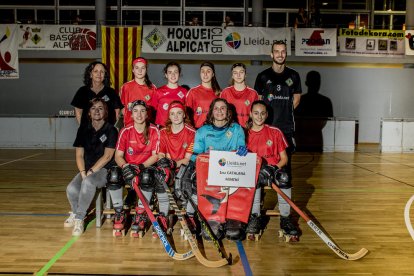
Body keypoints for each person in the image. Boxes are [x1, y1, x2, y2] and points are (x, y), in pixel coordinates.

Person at [254, 40, 302, 227]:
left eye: (283, 52)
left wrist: (284, 113)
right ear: (271, 54)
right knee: (259, 171)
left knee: (284, 174)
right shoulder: (263, 76)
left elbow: (296, 99)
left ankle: (285, 216)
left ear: (286, 54)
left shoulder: (294, 75)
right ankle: (255, 213)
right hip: (265, 131)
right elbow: (259, 102)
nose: (280, 54)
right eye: (277, 51)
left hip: (286, 129)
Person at [192, 98, 249, 241]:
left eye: (222, 108)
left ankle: (233, 219)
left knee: (239, 181)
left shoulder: (236, 129)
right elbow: (196, 156)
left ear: (228, 111)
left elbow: (240, 148)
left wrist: (243, 151)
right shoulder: (202, 131)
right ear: (211, 112)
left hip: (230, 174)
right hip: (208, 175)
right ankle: (213, 219)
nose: (219, 111)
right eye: (216, 108)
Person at [245, 101, 299, 241]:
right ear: (250, 114)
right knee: (252, 179)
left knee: (285, 178)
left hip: (274, 170)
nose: (259, 116)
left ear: (267, 115)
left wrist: (274, 168)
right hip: (255, 171)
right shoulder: (244, 134)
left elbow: (284, 158)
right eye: (256, 113)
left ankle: (286, 218)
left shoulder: (275, 132)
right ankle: (254, 217)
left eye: (263, 113)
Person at [109, 100, 163, 238]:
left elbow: (155, 155)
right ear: (131, 115)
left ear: (147, 114)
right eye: (135, 111)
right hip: (129, 167)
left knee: (146, 177)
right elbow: (118, 156)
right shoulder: (125, 131)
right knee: (114, 174)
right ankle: (119, 213)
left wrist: (141, 166)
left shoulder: (154, 130)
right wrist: (125, 166)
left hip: (146, 167)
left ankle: (140, 214)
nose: (139, 114)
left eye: (142, 111)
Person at [64, 98, 118, 236]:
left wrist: (91, 171)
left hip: (104, 169)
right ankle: (76, 212)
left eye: (100, 108)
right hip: (86, 169)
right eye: (93, 108)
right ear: (88, 112)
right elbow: (79, 155)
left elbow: (107, 156)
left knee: (88, 182)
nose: (97, 111)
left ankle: (80, 219)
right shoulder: (83, 130)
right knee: (71, 188)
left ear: (105, 112)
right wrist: (83, 172)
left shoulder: (111, 130)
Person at [158, 101, 196, 232]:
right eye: (172, 114)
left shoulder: (191, 132)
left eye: (179, 113)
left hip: (184, 168)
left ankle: (188, 217)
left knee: (184, 185)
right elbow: (161, 154)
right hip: (169, 168)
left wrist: (173, 163)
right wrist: (165, 163)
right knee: (161, 177)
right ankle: (163, 216)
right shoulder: (163, 132)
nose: (176, 116)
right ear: (169, 116)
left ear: (184, 115)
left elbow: (187, 158)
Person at [71, 61, 123, 127]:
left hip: (107, 132)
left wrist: (110, 129)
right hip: (87, 131)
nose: (99, 74)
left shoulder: (111, 92)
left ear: (105, 75)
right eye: (96, 71)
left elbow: (117, 111)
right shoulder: (82, 91)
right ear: (90, 74)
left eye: (102, 72)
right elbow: (78, 112)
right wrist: (83, 128)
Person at [119, 57, 156, 127]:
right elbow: (122, 108)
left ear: (146, 70)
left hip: (147, 128)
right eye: (137, 68)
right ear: (133, 70)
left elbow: (154, 111)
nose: (140, 71)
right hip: (129, 127)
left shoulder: (152, 88)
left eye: (143, 68)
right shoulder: (125, 87)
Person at [220, 63, 259, 128]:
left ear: (245, 75)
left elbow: (257, 114)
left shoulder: (253, 93)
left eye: (241, 72)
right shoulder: (225, 92)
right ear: (232, 75)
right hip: (229, 129)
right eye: (235, 73)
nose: (238, 75)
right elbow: (221, 112)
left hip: (247, 130)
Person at [151, 62, 188, 127]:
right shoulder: (158, 91)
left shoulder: (184, 92)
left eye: (175, 72)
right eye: (170, 72)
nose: (173, 75)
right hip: (162, 127)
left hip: (178, 127)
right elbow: (152, 112)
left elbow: (186, 112)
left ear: (179, 74)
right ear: (166, 75)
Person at [185, 61, 221, 128]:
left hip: (216, 131)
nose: (205, 74)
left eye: (208, 71)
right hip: (198, 130)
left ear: (213, 74)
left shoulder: (219, 93)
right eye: (202, 71)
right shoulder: (192, 92)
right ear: (200, 74)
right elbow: (187, 116)